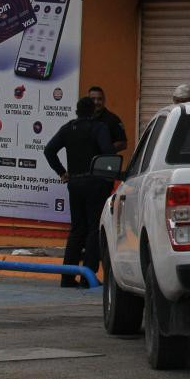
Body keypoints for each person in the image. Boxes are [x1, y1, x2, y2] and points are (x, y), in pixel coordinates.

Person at [44, 96, 114, 287]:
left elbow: (49, 150)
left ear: (77, 110)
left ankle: (67, 276)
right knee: (93, 229)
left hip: (74, 182)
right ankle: (88, 276)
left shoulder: (68, 128)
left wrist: (62, 172)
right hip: (94, 182)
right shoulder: (99, 128)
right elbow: (108, 153)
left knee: (77, 229)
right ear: (93, 111)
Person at [86, 85, 127, 152]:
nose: (96, 102)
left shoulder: (113, 119)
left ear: (104, 100)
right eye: (93, 99)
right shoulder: (83, 119)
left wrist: (106, 150)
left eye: (99, 99)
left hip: (106, 161)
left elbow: (123, 143)